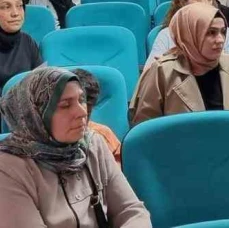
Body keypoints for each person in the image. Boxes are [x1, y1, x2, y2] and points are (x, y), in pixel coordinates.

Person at [0, 67, 151, 227]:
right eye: (65, 105)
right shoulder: (9, 169)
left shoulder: (93, 143)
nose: (81, 112)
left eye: (81, 100)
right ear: (35, 116)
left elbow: (131, 210)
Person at [130, 3, 229, 136]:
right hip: (180, 154)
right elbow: (145, 129)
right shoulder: (162, 72)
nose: (220, 39)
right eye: (211, 33)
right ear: (190, 35)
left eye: (222, 32)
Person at [149, 0, 229, 60]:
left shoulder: (226, 34)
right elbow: (150, 74)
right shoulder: (166, 35)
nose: (206, 4)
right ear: (183, 3)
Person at [72, 68, 122, 164]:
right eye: (66, 105)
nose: (82, 113)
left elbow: (118, 173)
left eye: (86, 104)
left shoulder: (103, 136)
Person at [0, 0, 43, 91]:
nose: (15, 13)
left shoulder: (27, 40)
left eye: (19, 6)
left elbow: (41, 82)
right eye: (6, 7)